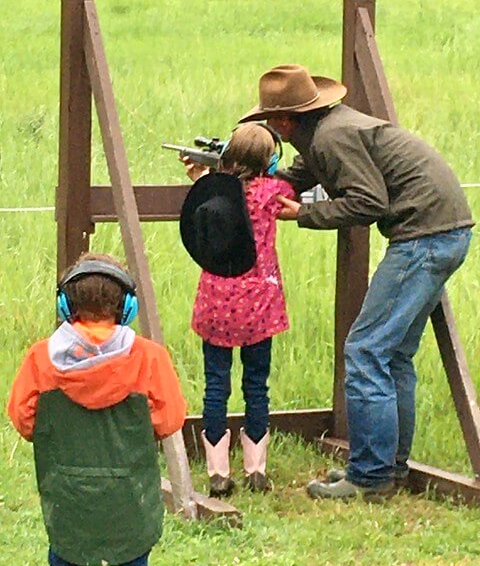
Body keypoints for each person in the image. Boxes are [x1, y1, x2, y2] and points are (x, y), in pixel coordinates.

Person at [239, 63, 474, 501]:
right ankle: (387, 467)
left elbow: (367, 202)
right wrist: (241, 178)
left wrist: (303, 214)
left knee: (366, 351)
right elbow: (298, 177)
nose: (269, 127)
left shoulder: (331, 137)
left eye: (270, 120)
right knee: (394, 354)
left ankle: (369, 477)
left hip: (424, 237)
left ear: (285, 120)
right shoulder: (325, 132)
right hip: (440, 231)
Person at [8, 253, 187, 566]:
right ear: (127, 307)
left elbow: (24, 421)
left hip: (69, 514)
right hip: (131, 510)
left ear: (66, 305)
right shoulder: (150, 358)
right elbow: (169, 421)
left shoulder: (40, 359)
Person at [180, 123, 296, 496]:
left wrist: (201, 175)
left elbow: (204, 194)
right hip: (260, 305)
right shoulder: (273, 192)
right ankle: (256, 470)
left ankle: (217, 473)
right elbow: (290, 187)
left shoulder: (217, 192)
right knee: (256, 386)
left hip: (216, 300)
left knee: (216, 386)